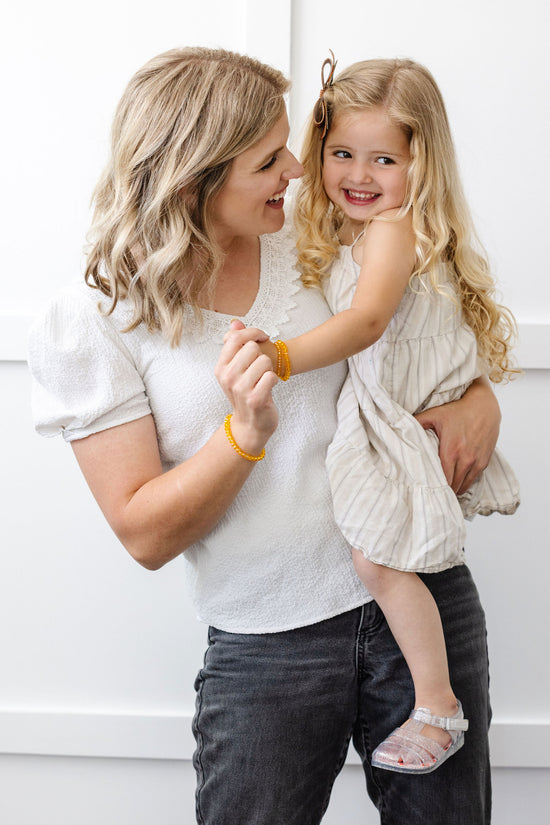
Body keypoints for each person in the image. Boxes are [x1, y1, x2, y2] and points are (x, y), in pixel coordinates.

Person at [28, 47, 500, 824]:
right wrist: (243, 434)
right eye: (268, 160)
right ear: (194, 178)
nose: (297, 168)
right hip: (271, 646)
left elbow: (412, 344)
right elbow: (144, 532)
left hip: (422, 593)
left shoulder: (318, 236)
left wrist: (481, 401)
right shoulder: (94, 319)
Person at [245, 54, 520, 775]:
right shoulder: (344, 231)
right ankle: (435, 700)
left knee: (375, 556)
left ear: (421, 166)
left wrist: (279, 357)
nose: (359, 174)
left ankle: (438, 705)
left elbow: (367, 322)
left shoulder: (393, 229)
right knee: (381, 554)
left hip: (401, 417)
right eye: (341, 153)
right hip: (390, 413)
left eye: (384, 159)